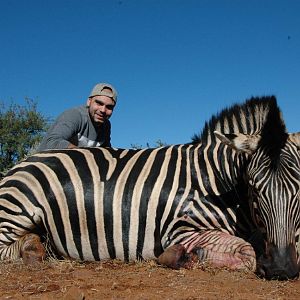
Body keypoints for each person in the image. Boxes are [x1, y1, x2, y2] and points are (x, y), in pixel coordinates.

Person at [37, 82, 117, 151]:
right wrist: (86, 154)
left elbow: (106, 152)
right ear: (89, 101)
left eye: (109, 107)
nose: (103, 110)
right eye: (99, 103)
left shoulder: (106, 126)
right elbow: (52, 141)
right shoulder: (75, 115)